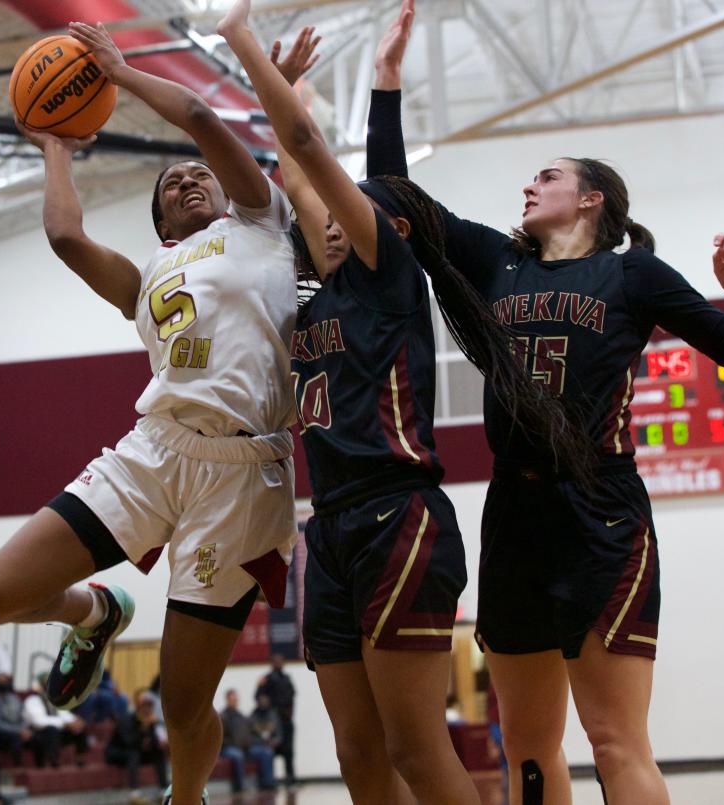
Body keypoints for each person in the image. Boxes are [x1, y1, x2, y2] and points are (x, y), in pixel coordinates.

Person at [364, 3, 724, 803]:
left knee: (616, 738)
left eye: (547, 175)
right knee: (531, 751)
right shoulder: (492, 262)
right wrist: (385, 80)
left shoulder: (632, 274)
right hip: (514, 517)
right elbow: (393, 197)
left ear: (591, 201)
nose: (529, 183)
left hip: (603, 513)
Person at [219, 8, 589, 804]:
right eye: (318, 214)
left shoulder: (390, 274)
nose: (328, 214)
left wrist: (245, 47)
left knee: (415, 749)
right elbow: (291, 164)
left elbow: (310, 152)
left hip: (399, 516)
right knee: (358, 753)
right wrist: (274, 95)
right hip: (332, 525)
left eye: (343, 206)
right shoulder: (311, 300)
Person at [0, 17, 300, 805]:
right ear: (159, 222)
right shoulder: (148, 274)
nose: (187, 180)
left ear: (226, 192)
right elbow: (63, 233)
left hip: (245, 477)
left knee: (183, 704)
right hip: (154, 450)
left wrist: (117, 73)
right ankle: (94, 610)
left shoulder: (262, 224)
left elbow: (197, 118)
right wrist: (54, 143)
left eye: (198, 177)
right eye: (170, 186)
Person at [106, 689, 169, 797]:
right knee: (133, 754)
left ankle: (163, 789)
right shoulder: (126, 719)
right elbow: (128, 742)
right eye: (145, 706)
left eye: (150, 706)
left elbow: (154, 741)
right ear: (138, 707)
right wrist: (144, 728)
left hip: (139, 751)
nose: (148, 709)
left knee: (158, 753)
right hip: (119, 752)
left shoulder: (152, 721)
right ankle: (134, 792)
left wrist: (159, 742)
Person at [23, 673, 89, 768]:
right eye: (46, 685)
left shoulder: (54, 700)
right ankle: (53, 760)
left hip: (57, 732)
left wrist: (75, 721)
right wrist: (65, 724)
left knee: (78, 729)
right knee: (52, 730)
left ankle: (80, 758)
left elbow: (64, 714)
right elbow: (39, 722)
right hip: (37, 734)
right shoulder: (32, 700)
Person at [219, 689, 274, 794]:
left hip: (245, 748)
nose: (235, 701)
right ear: (227, 700)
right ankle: (240, 787)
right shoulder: (223, 717)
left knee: (265, 752)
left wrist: (259, 741)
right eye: (232, 699)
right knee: (238, 755)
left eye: (236, 699)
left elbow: (250, 733)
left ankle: (267, 784)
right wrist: (235, 744)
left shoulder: (241, 716)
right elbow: (221, 738)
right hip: (229, 748)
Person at [256, 653, 295, 785]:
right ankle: (269, 780)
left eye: (280, 661)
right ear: (272, 663)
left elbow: (292, 697)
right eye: (276, 661)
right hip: (272, 721)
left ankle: (290, 778)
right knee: (271, 749)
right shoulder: (266, 679)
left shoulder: (287, 678)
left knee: (289, 751)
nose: (278, 664)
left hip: (286, 720)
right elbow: (258, 697)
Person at [0, 672, 31, 765]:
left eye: (5, 681)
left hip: (17, 731)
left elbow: (23, 717)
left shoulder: (15, 699)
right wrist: (18, 730)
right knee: (14, 738)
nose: (3, 684)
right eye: (0, 682)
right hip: (0, 733)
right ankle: (17, 766)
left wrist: (23, 729)